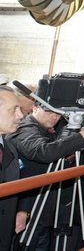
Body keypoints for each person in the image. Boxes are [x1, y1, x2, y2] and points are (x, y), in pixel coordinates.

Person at [8, 100, 84, 251]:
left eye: (58, 113)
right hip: (30, 208)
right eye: (49, 111)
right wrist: (79, 138)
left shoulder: (47, 128)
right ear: (35, 108)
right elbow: (44, 152)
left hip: (43, 207)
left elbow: (56, 151)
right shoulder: (25, 128)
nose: (54, 117)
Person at [0, 86, 24, 250]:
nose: (21, 115)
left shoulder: (10, 148)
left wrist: (23, 211)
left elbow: (22, 182)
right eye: (14, 109)